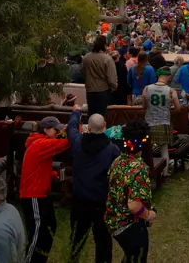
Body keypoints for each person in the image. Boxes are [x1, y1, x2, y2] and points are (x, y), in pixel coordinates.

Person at [66, 108, 120, 263]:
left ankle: (73, 259)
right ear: (104, 128)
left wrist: (76, 112)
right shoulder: (111, 149)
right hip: (101, 202)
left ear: (88, 128)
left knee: (77, 237)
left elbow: (71, 127)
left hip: (80, 200)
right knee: (103, 241)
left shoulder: (77, 143)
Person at [19, 116, 70, 263]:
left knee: (49, 228)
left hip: (41, 194)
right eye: (56, 130)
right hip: (33, 196)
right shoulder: (40, 144)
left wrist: (52, 174)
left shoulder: (38, 143)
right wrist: (75, 128)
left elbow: (38, 166)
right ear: (46, 129)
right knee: (37, 234)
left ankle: (41, 259)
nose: (58, 133)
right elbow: (66, 143)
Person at [105, 120, 155, 262]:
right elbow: (133, 205)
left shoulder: (117, 161)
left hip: (113, 220)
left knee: (130, 256)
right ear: (143, 143)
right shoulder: (139, 168)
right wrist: (148, 215)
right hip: (129, 224)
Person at [83, 35, 118, 117]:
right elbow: (112, 78)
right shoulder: (107, 59)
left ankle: (90, 128)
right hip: (103, 91)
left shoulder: (86, 58)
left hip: (90, 91)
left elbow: (83, 72)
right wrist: (114, 87)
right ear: (104, 45)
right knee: (101, 115)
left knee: (91, 114)